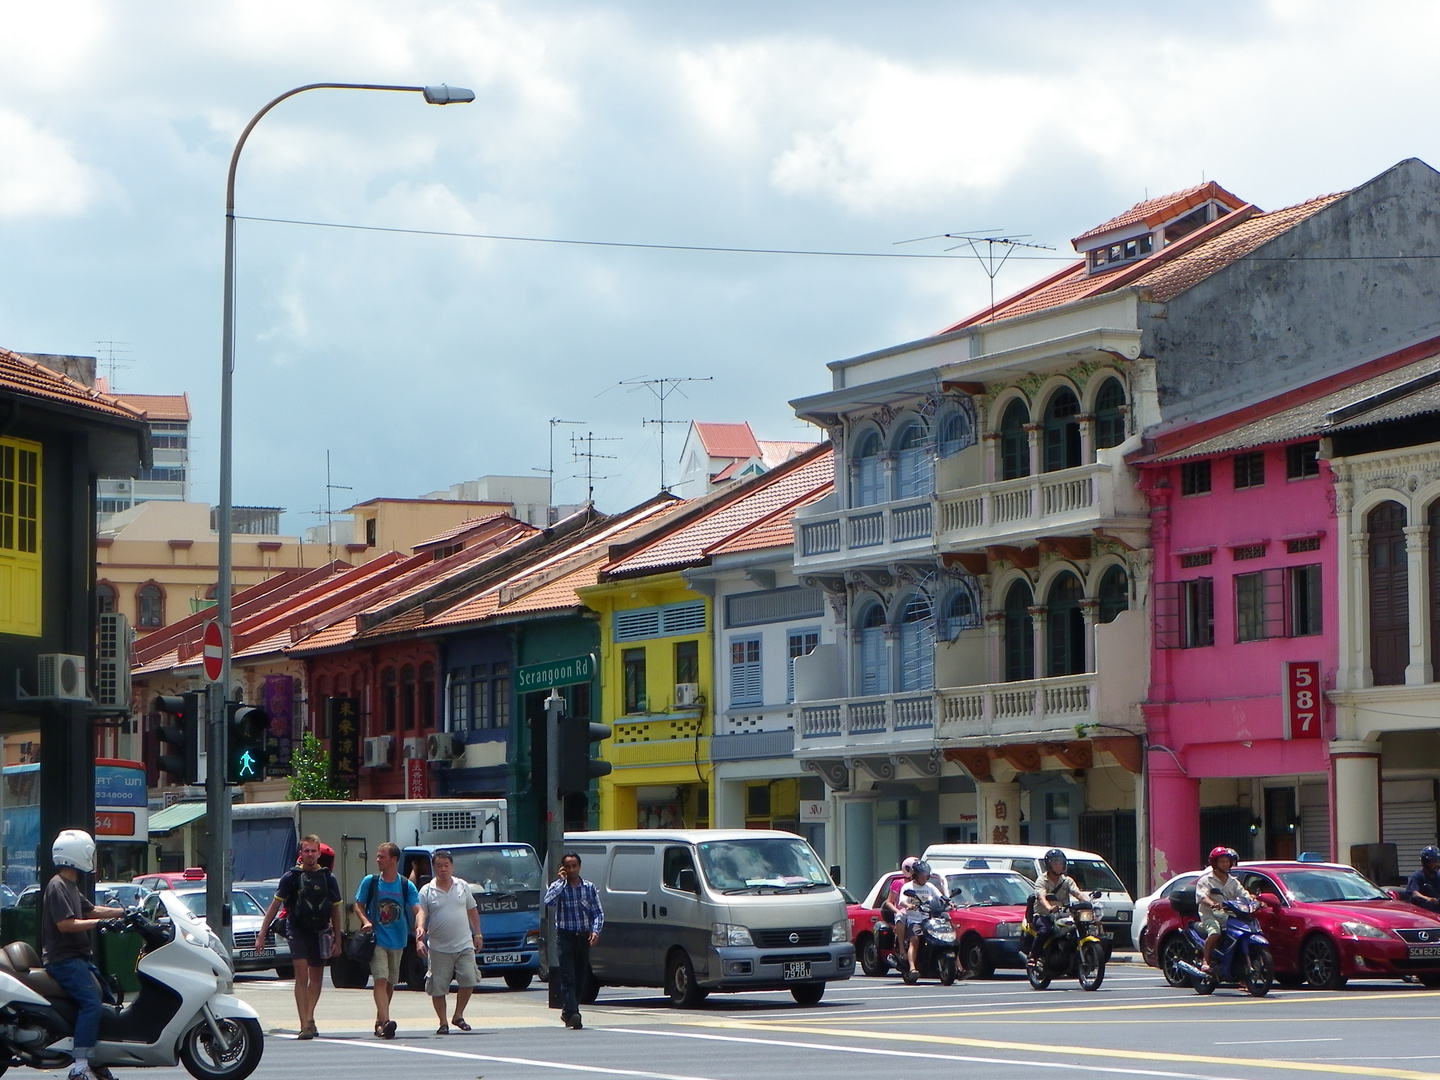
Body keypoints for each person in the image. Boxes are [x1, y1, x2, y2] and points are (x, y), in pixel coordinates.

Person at [42, 829, 125, 1080]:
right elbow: (66, 924)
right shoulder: (57, 886)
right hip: (64, 959)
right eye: (91, 853)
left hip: (78, 958)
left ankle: (97, 1060)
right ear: (78, 855)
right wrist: (98, 924)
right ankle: (79, 1067)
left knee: (108, 1001)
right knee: (91, 1004)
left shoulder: (69, 885)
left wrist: (122, 912)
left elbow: (89, 910)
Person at [257, 834, 342, 1040]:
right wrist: (262, 933)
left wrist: (338, 939)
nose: (310, 855)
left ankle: (310, 1016)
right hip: (297, 929)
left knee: (317, 978)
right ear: (300, 853)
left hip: (320, 930)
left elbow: (336, 911)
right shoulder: (291, 877)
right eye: (306, 851)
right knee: (301, 974)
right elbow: (275, 906)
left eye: (313, 851)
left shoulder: (328, 878)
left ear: (319, 853)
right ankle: (304, 1023)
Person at [354, 841, 421, 1039]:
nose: (378, 860)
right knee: (380, 980)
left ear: (394, 859)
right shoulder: (371, 881)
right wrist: (365, 921)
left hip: (398, 940)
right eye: (378, 856)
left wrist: (420, 925)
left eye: (382, 857)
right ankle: (386, 1021)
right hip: (378, 939)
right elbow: (358, 904)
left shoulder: (405, 885)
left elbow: (418, 908)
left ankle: (379, 1022)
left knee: (391, 982)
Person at [415, 849, 482, 1034]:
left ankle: (458, 1015)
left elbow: (472, 910)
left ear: (452, 866)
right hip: (438, 947)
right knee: (438, 987)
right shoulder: (427, 890)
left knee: (469, 979)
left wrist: (478, 934)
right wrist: (420, 934)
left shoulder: (462, 886)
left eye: (446, 865)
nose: (443, 869)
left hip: (464, 944)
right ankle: (443, 1022)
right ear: (433, 867)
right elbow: (421, 913)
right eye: (439, 866)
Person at [542, 852, 604, 1030]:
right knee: (568, 977)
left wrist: (595, 930)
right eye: (567, 867)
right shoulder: (558, 886)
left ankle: (568, 1012)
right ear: (563, 869)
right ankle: (575, 1013)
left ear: (579, 866)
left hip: (582, 937)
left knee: (580, 978)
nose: (571, 870)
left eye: (574, 866)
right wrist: (561, 882)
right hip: (565, 937)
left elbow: (597, 912)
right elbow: (549, 902)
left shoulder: (589, 887)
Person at [1195, 846, 1252, 973]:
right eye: (1222, 861)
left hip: (1228, 917)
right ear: (1215, 863)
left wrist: (1254, 902)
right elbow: (1202, 896)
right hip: (1210, 916)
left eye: (1227, 861)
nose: (1226, 864)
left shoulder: (1233, 882)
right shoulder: (1206, 880)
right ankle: (1206, 960)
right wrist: (1212, 903)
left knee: (1240, 936)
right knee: (1215, 933)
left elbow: (1244, 894)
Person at [1029, 849, 1084, 965]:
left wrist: (1089, 903)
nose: (1058, 866)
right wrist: (1049, 907)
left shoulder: (1067, 881)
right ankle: (1033, 956)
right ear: (1048, 864)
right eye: (1055, 863)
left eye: (1060, 863)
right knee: (1045, 930)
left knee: (1080, 926)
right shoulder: (1042, 880)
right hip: (1043, 915)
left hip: (1062, 915)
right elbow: (1041, 897)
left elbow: (1078, 893)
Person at [896, 861, 945, 983]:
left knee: (947, 936)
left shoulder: (930, 887)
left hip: (929, 919)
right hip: (914, 919)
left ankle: (958, 967)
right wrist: (909, 905)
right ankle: (912, 968)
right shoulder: (908, 887)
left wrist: (948, 902)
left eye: (926, 875)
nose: (924, 877)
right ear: (915, 875)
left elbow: (940, 897)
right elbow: (902, 901)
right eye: (922, 875)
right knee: (915, 940)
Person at [881, 856, 920, 969]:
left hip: (917, 912)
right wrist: (897, 910)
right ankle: (902, 949)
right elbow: (889, 902)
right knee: (901, 915)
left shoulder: (920, 884)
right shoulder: (898, 883)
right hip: (903, 912)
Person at [1406, 846, 1440, 913]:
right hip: (1422, 913)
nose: (1437, 864)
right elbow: (1414, 894)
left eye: (1438, 861)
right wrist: (1428, 899)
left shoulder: (1438, 876)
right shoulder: (1417, 876)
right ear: (1426, 862)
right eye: (1434, 861)